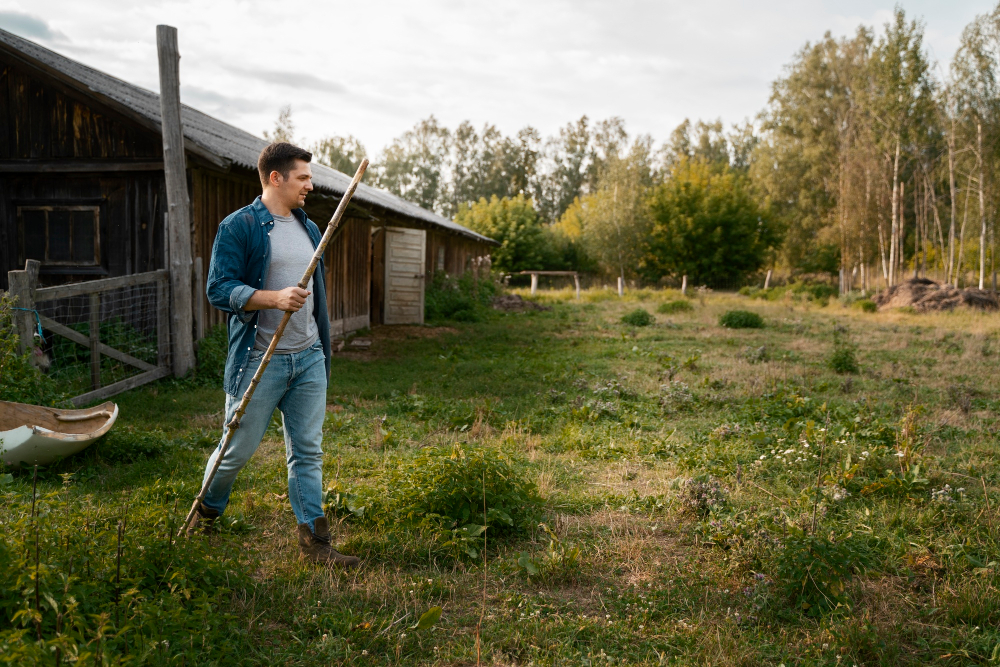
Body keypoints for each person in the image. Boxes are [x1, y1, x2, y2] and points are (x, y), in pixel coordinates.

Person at [193, 142, 358, 569]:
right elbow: (218, 288)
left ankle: (315, 542)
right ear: (275, 178)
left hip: (307, 358)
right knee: (236, 450)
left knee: (307, 449)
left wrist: (320, 344)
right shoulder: (239, 226)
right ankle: (207, 510)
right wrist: (272, 298)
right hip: (258, 360)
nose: (310, 184)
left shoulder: (309, 227)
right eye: (303, 177)